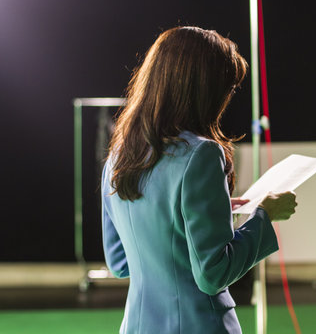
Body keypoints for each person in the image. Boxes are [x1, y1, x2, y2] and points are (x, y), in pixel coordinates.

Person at [101, 26, 297, 334]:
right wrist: (264, 216)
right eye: (228, 89)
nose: (228, 98)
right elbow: (212, 273)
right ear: (206, 89)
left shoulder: (118, 155)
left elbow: (119, 262)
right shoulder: (202, 155)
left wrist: (218, 208)